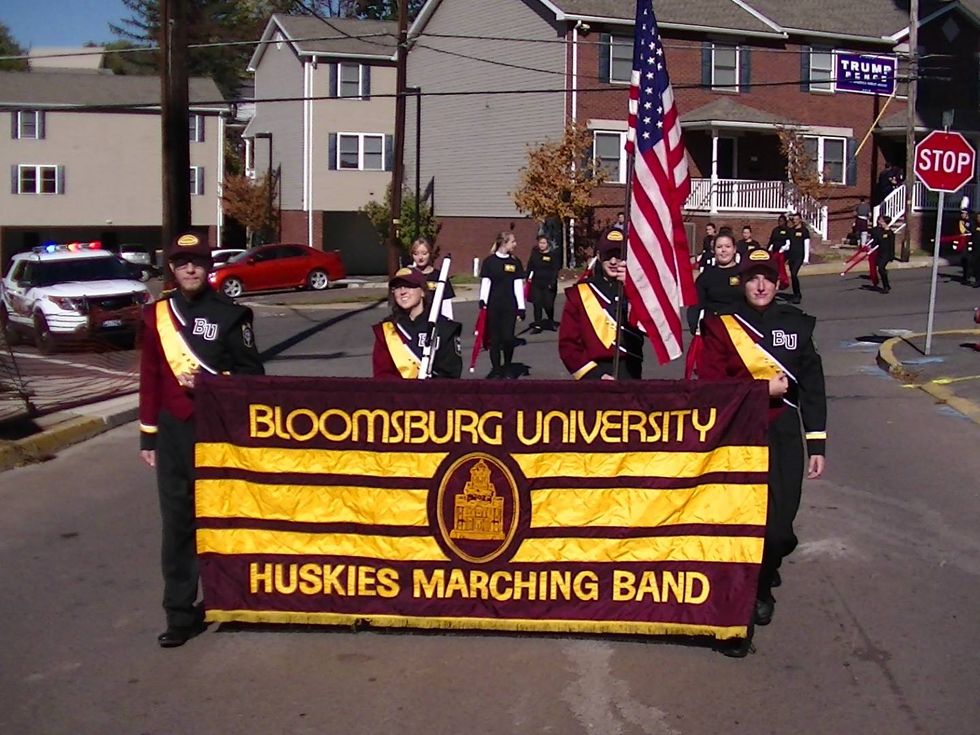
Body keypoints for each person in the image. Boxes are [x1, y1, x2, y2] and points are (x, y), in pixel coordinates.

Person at [139, 231, 264, 648]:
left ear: (208, 267)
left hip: (218, 431)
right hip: (173, 431)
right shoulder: (156, 315)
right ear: (171, 269)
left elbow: (252, 377)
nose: (190, 269)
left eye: (197, 262)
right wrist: (148, 438)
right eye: (181, 263)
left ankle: (232, 595)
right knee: (177, 525)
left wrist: (214, 383)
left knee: (227, 518)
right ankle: (179, 613)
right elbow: (151, 377)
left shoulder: (231, 315)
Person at [698, 249, 826, 657]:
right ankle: (747, 602)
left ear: (777, 281)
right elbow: (712, 387)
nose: (760, 285)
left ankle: (768, 568)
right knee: (745, 528)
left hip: (784, 434)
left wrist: (817, 443)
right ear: (742, 281)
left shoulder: (797, 325)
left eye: (767, 278)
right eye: (752, 278)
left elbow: (812, 386)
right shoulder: (722, 326)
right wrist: (759, 390)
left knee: (780, 531)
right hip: (740, 436)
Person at [559, 229, 642, 380]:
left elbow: (651, 328)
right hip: (595, 373)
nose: (613, 261)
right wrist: (595, 375)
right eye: (608, 255)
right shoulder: (580, 293)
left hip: (630, 370)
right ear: (598, 256)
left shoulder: (639, 291)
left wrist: (632, 290)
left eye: (619, 255)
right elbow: (568, 345)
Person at [373, 267, 462, 379]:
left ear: (423, 292)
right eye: (397, 288)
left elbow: (451, 374)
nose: (402, 292)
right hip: (398, 395)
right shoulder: (387, 330)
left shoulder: (444, 327)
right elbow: (382, 375)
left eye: (409, 286)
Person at [479, 232, 526, 378]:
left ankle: (507, 367)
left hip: (509, 306)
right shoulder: (489, 262)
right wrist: (483, 300)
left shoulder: (515, 262)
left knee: (508, 338)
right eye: (513, 241)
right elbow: (486, 282)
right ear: (504, 243)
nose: (515, 244)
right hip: (494, 305)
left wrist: (521, 307)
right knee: (495, 340)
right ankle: (497, 369)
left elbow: (518, 285)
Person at [687, 232, 743, 334]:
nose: (723, 250)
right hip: (714, 330)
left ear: (734, 249)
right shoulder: (706, 276)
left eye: (727, 246)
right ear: (714, 250)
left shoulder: (744, 274)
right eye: (719, 247)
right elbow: (695, 304)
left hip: (741, 331)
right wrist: (694, 326)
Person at [409, 237, 455, 319]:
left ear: (430, 253)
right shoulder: (408, 275)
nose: (420, 257)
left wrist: (448, 324)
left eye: (424, 253)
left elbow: (446, 305)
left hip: (436, 322)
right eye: (416, 254)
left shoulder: (440, 276)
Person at [527, 235, 560, 333]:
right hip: (536, 283)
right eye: (540, 243)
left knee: (548, 304)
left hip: (549, 284)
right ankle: (537, 325)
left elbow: (555, 270)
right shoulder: (535, 255)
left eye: (544, 243)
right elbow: (530, 267)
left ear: (548, 244)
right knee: (537, 304)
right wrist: (527, 277)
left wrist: (552, 282)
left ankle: (550, 321)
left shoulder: (552, 256)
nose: (541, 245)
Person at [786, 212, 810, 304]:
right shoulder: (790, 231)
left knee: (794, 274)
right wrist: (782, 251)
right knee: (792, 275)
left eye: (796, 219)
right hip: (791, 256)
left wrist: (806, 259)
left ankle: (797, 295)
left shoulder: (804, 231)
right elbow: (788, 244)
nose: (795, 221)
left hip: (799, 256)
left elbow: (806, 245)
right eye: (793, 220)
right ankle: (796, 294)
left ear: (800, 219)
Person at [869, 214, 895, 293]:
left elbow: (891, 244)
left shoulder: (890, 233)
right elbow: (875, 241)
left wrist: (891, 256)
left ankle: (886, 287)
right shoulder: (878, 230)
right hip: (879, 252)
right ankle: (887, 284)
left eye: (881, 220)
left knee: (881, 268)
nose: (879, 221)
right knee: (880, 269)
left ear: (885, 222)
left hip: (886, 254)